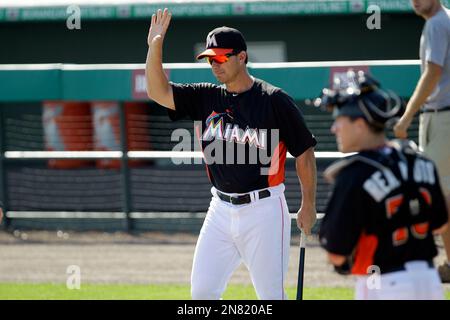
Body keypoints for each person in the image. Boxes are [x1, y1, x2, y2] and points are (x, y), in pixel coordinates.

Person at [145, 8, 318, 300]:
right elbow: (156, 91)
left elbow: (304, 153)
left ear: (242, 57)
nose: (215, 64)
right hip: (220, 210)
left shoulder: (273, 100)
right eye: (211, 58)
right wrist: (155, 45)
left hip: (264, 208)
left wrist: (308, 204)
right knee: (201, 293)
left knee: (271, 296)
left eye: (222, 57)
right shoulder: (205, 96)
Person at [317, 70, 448, 300]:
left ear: (360, 124)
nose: (334, 128)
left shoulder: (355, 173)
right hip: (429, 281)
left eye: (339, 120)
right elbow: (440, 223)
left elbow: (336, 254)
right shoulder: (420, 160)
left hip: (384, 283)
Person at [394, 0, 450, 283]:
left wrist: (406, 117)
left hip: (442, 118)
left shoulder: (437, 23)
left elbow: (433, 73)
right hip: (442, 117)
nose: (415, 1)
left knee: (440, 196)